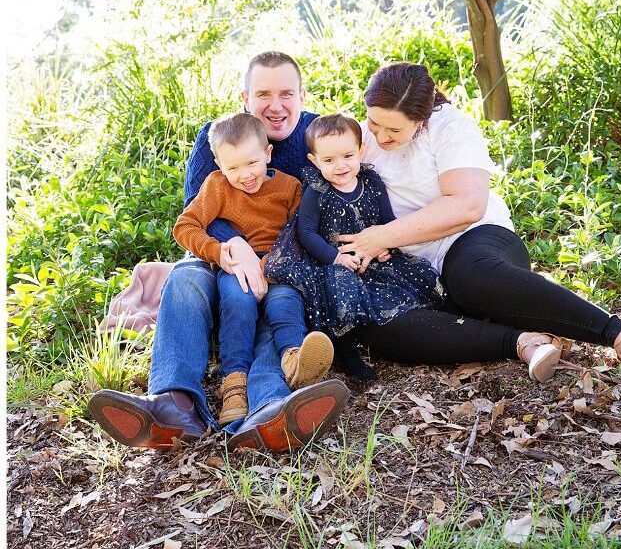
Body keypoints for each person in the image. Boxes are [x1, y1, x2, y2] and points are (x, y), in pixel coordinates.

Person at [88, 52, 349, 452]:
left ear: (302, 95)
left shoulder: (318, 136)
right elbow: (197, 206)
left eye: (286, 93)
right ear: (244, 97)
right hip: (221, 257)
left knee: (273, 304)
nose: (275, 105)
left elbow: (320, 211)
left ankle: (269, 408)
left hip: (283, 261)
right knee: (185, 276)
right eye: (263, 93)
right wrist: (235, 246)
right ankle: (174, 403)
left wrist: (272, 261)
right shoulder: (217, 135)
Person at [333, 62, 621, 387]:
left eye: (394, 130)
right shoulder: (359, 137)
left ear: (421, 118)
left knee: (470, 277)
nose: (380, 136)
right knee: (371, 318)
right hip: (414, 272)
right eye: (373, 122)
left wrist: (382, 236)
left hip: (474, 242)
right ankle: (523, 342)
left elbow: (467, 205)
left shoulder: (449, 128)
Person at [172, 113, 334, 426]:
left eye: (251, 163)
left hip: (280, 267)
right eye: (232, 167)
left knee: (285, 303)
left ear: (268, 154)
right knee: (238, 302)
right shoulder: (217, 186)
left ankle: (295, 360)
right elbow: (185, 226)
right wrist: (218, 251)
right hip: (236, 268)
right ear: (218, 164)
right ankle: (234, 386)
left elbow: (299, 232)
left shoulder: (290, 188)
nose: (244, 175)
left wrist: (271, 265)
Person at [264, 114, 446, 380]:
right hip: (329, 260)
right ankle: (347, 352)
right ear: (315, 161)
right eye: (328, 160)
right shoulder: (317, 189)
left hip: (371, 255)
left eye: (348, 156)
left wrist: (385, 245)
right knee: (340, 289)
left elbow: (387, 222)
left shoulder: (371, 183)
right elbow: (306, 233)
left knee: (413, 277)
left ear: (360, 150)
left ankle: (434, 323)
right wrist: (335, 258)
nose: (340, 166)